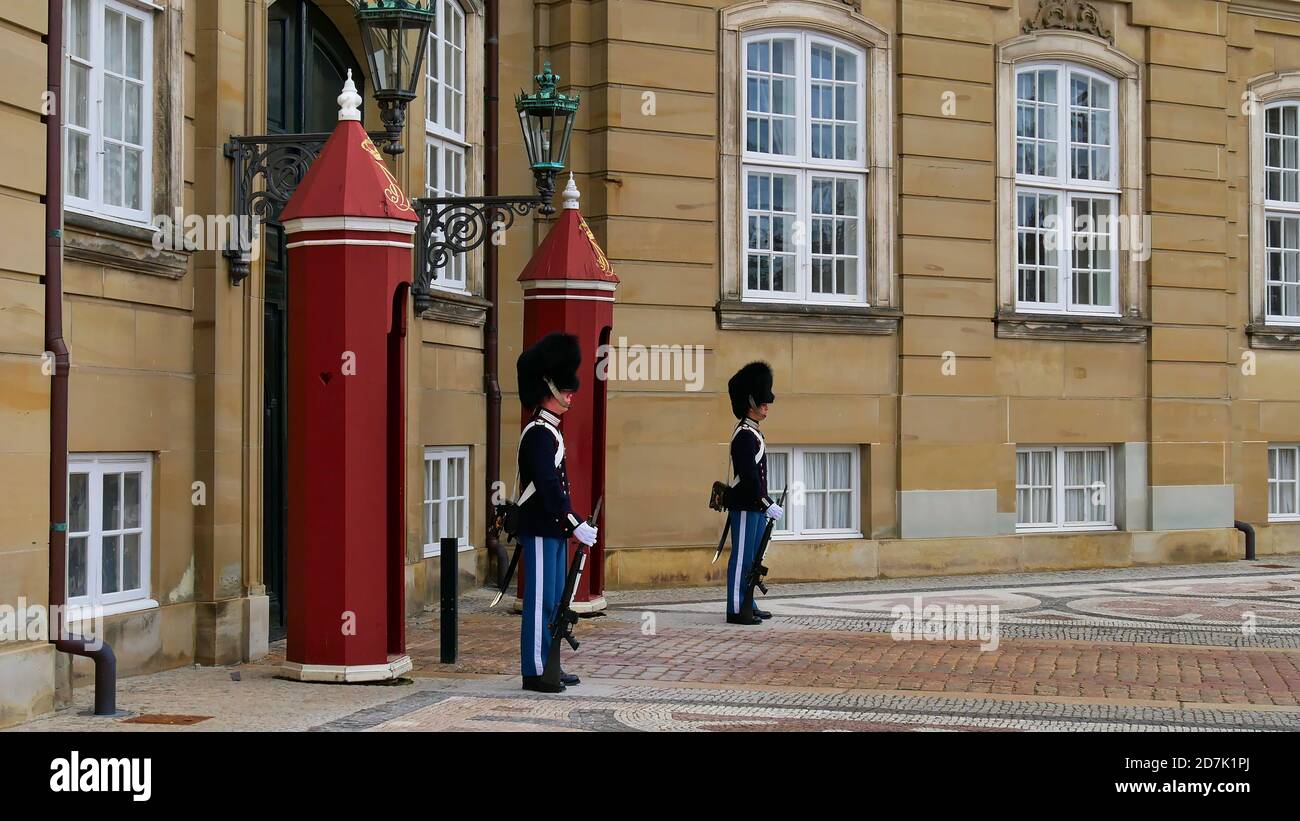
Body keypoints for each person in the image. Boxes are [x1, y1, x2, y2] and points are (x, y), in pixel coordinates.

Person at [515, 332, 598, 693]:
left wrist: (570, 524)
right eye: (565, 389)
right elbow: (548, 486)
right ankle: (534, 669)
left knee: (553, 600)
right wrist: (574, 522)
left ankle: (550, 661)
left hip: (552, 529)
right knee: (538, 602)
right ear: (548, 386)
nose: (570, 394)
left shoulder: (549, 430)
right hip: (539, 526)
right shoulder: (538, 432)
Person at [724, 362, 782, 625]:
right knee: (742, 559)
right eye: (762, 401)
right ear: (750, 402)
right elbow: (748, 478)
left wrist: (765, 504)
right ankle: (736, 608)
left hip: (755, 506)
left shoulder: (753, 433)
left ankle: (749, 601)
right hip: (747, 505)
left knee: (753, 559)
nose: (767, 405)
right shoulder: (744, 436)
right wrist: (765, 502)